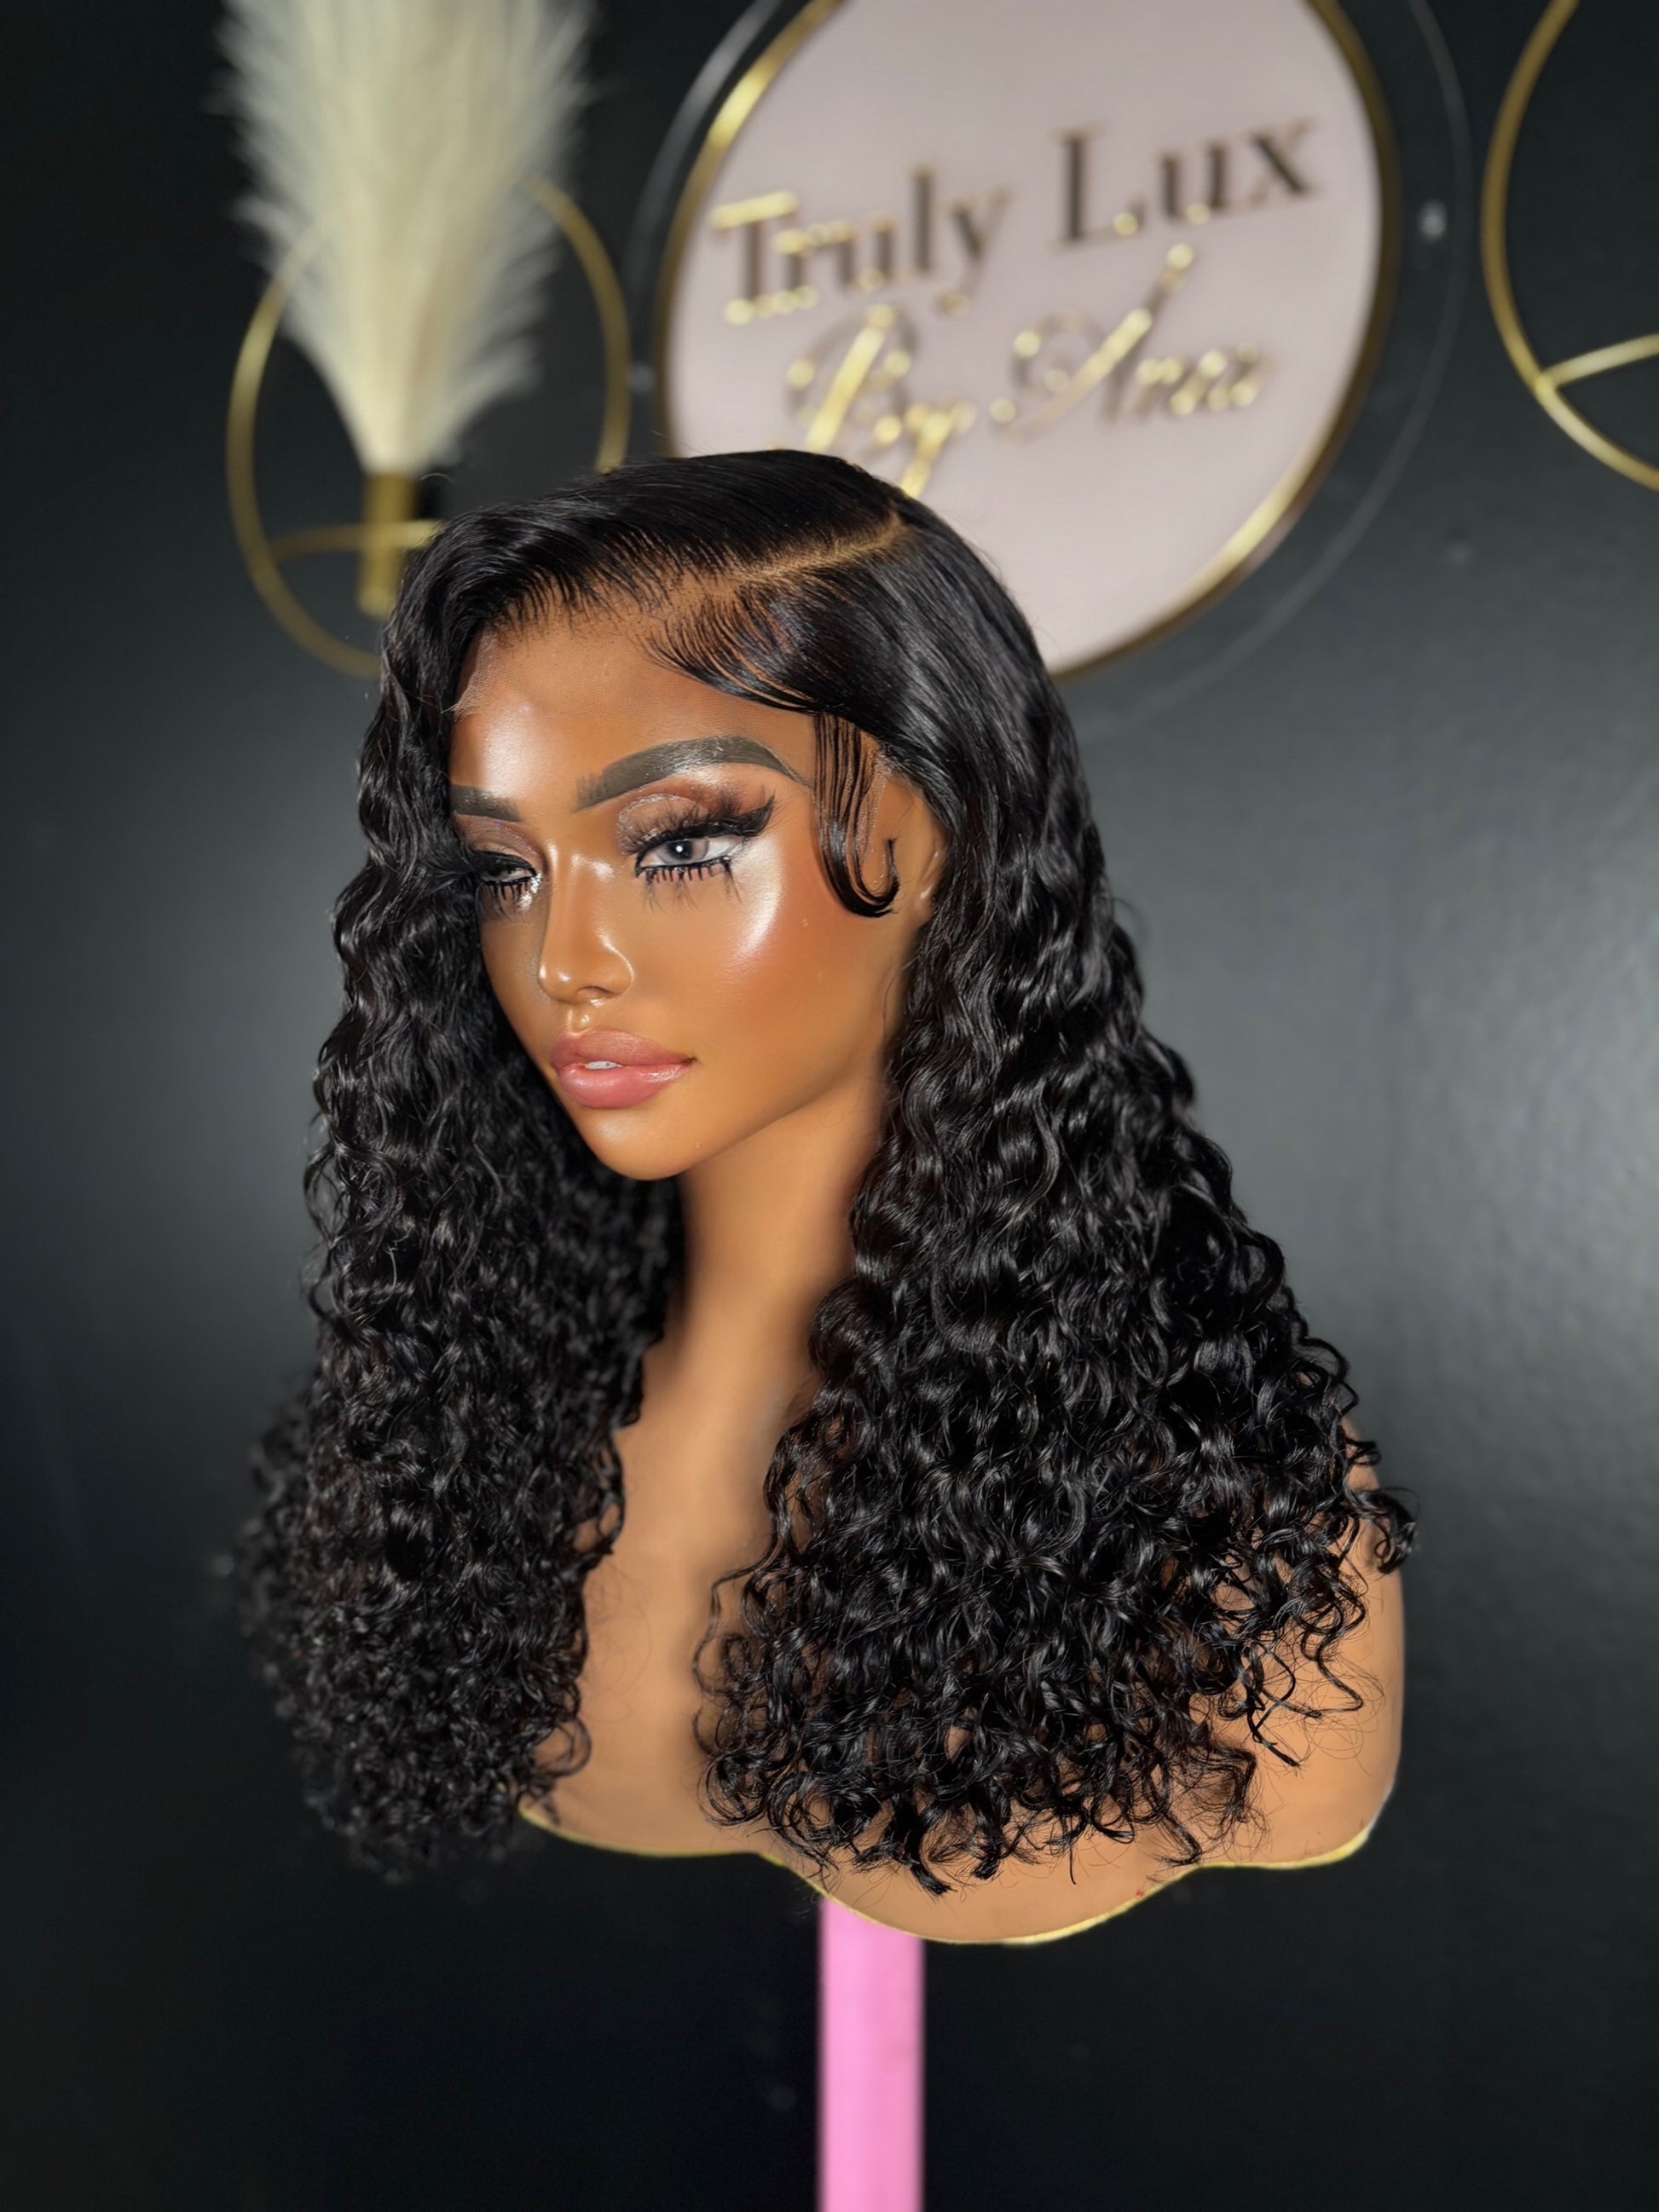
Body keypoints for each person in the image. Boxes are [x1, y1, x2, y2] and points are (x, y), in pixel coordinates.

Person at [242, 449, 1411, 1944]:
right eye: (502, 872)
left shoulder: (1229, 1521)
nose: (564, 961)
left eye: (680, 842)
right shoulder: (463, 1430)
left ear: (938, 827)